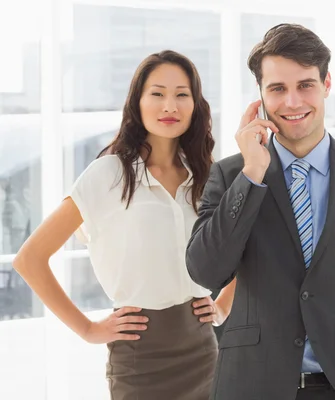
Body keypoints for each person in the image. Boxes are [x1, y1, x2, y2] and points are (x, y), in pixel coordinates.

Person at [186, 23, 335, 400]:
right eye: (278, 89)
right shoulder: (233, 174)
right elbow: (205, 270)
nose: (293, 102)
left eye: (305, 85)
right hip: (250, 388)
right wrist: (252, 174)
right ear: (261, 96)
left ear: (327, 84)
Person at [13, 50, 235, 400]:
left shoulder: (206, 176)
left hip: (204, 349)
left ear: (195, 105)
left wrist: (222, 305)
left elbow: (242, 245)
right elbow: (29, 258)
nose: (169, 106)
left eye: (181, 94)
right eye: (157, 93)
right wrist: (87, 329)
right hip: (139, 357)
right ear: (137, 101)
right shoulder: (109, 174)